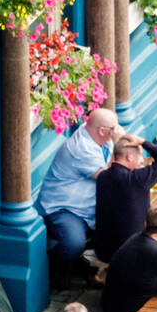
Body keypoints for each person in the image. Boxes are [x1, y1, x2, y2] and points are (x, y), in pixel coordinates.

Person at [36, 107, 118, 272]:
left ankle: (89, 270)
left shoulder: (101, 138)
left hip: (87, 205)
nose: (116, 132)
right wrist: (121, 143)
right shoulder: (81, 148)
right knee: (73, 243)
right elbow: (108, 177)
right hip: (63, 207)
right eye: (114, 128)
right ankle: (47, 269)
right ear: (102, 130)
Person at [92, 133, 157, 263]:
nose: (141, 160)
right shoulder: (136, 180)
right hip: (131, 254)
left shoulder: (102, 177)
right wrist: (142, 141)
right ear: (129, 157)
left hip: (103, 251)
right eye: (140, 155)